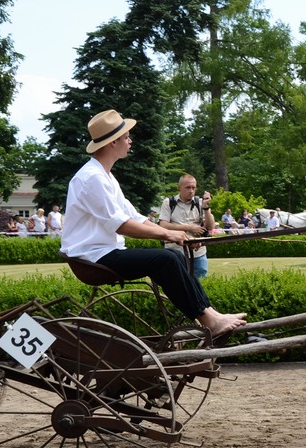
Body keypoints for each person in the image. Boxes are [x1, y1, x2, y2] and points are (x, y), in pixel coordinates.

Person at [61, 109, 246, 337]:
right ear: (113, 142)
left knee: (175, 256)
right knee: (166, 258)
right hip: (92, 258)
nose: (130, 140)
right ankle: (209, 320)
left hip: (102, 252)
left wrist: (178, 235)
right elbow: (122, 225)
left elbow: (136, 217)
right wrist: (168, 235)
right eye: (127, 137)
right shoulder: (93, 178)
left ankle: (210, 314)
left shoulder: (105, 176)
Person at [158, 174, 215, 280]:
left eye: (193, 187)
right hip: (175, 252)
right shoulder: (169, 202)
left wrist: (206, 208)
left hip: (198, 252)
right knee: (176, 284)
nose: (191, 191)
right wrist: (190, 228)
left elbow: (210, 226)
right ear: (179, 187)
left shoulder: (200, 203)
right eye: (188, 187)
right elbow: (163, 225)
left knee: (201, 284)